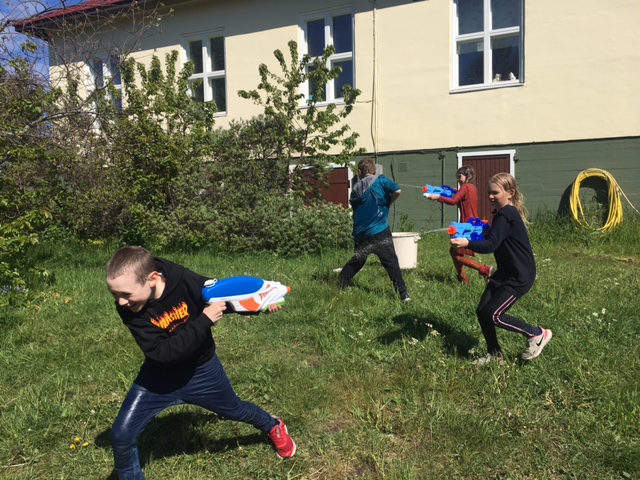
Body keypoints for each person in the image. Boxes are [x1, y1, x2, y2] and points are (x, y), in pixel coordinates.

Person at [106, 246, 296, 480]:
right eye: (115, 294)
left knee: (235, 409)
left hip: (202, 371)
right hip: (158, 378)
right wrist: (204, 321)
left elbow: (222, 298)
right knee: (121, 435)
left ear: (153, 278)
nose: (120, 302)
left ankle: (273, 425)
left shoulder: (182, 279)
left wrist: (259, 306)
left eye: (126, 294)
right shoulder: (129, 308)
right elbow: (162, 352)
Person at [450, 173, 552, 365]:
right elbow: (497, 236)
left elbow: (492, 245)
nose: (490, 196)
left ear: (510, 193)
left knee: (493, 314)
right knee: (482, 311)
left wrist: (467, 243)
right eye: (489, 192)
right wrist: (483, 230)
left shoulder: (506, 214)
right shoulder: (501, 214)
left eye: (495, 193)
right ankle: (495, 355)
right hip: (505, 273)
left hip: (519, 275)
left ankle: (537, 334)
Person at [338, 157, 410, 302]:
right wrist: (388, 202)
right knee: (391, 262)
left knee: (358, 260)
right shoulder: (381, 180)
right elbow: (397, 190)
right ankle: (403, 294)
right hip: (379, 232)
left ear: (360, 172)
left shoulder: (355, 188)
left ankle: (340, 283)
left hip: (361, 234)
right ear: (374, 170)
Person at [426, 165, 493, 283]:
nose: (458, 179)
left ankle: (484, 269)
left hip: (465, 225)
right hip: (472, 223)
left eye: (460, 176)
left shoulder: (465, 187)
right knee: (454, 251)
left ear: (469, 176)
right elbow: (462, 202)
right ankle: (462, 278)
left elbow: (454, 201)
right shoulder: (472, 187)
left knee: (457, 254)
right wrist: (451, 192)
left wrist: (438, 197)